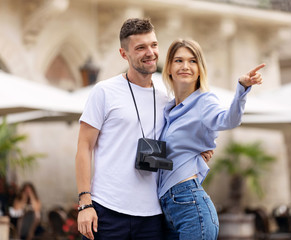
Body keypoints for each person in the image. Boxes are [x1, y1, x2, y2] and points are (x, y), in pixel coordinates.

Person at [75, 18, 212, 240]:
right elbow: (84, 146)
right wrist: (84, 202)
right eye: (140, 47)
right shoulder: (104, 92)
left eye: (154, 45)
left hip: (154, 215)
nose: (150, 52)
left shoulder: (168, 97)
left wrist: (199, 150)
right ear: (123, 54)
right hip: (106, 210)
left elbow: (181, 138)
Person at [158, 39, 265, 240]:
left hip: (189, 204)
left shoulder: (204, 101)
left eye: (192, 61)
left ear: (199, 70)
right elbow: (162, 158)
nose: (185, 66)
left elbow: (229, 120)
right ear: (169, 68)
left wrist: (242, 89)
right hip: (167, 207)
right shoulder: (168, 110)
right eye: (178, 60)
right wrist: (194, 152)